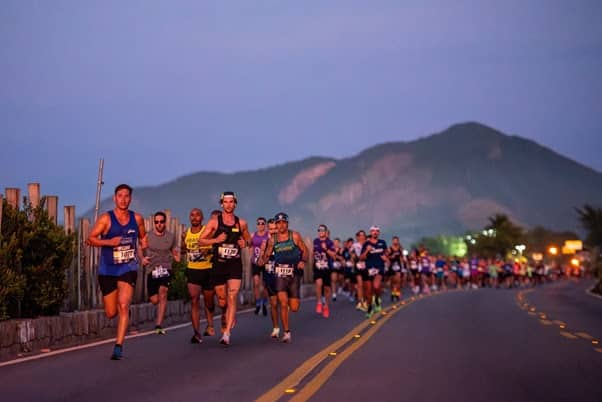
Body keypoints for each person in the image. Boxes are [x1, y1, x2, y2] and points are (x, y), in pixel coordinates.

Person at [87, 184, 147, 360]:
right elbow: (90, 239)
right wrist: (109, 242)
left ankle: (118, 346)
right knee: (111, 312)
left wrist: (144, 248)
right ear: (114, 198)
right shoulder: (106, 219)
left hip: (128, 268)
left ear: (130, 198)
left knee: (123, 304)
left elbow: (143, 237)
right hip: (107, 269)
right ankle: (124, 313)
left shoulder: (137, 219)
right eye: (120, 196)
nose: (123, 199)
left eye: (126, 196)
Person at [199, 191, 252, 346]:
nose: (229, 204)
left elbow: (248, 238)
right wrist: (216, 239)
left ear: (235, 203)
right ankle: (226, 312)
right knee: (222, 300)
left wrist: (245, 243)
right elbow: (201, 240)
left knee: (232, 296)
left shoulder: (241, 223)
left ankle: (227, 333)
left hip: (234, 263)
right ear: (221, 204)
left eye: (232, 202)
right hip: (219, 263)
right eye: (226, 202)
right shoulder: (215, 222)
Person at [258, 212, 308, 343]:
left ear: (287, 223)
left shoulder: (294, 236)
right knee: (283, 303)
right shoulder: (272, 240)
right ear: (275, 224)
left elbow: (305, 250)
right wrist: (261, 260)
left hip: (293, 274)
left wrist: (303, 260)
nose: (281, 225)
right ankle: (286, 332)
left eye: (283, 222)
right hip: (280, 274)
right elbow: (267, 255)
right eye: (278, 223)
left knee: (295, 307)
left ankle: (287, 321)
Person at [182, 208, 222, 344]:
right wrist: (180, 252)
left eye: (197, 215)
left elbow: (215, 246)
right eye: (192, 215)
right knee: (194, 300)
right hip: (193, 270)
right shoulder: (185, 233)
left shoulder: (207, 231)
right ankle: (196, 333)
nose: (194, 217)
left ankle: (210, 323)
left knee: (209, 301)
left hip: (208, 270)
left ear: (202, 218)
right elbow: (183, 249)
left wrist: (208, 249)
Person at [141, 211, 180, 335]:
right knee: (154, 300)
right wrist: (142, 258)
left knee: (163, 293)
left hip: (166, 268)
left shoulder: (171, 236)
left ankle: (158, 324)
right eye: (156, 222)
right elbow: (140, 248)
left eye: (161, 222)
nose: (159, 224)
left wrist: (176, 256)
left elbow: (174, 249)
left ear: (165, 222)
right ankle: (158, 311)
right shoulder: (148, 236)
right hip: (152, 269)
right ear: (154, 223)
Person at [359, 225, 388, 318]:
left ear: (378, 233)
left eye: (377, 231)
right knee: (368, 290)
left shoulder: (382, 243)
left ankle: (377, 300)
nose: (375, 232)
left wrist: (385, 258)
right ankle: (370, 308)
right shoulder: (366, 244)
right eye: (373, 231)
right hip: (368, 268)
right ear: (370, 232)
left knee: (376, 286)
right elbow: (361, 257)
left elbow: (386, 253)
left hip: (379, 267)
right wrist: (367, 251)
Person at [313, 224, 337, 318]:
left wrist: (326, 249)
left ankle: (326, 306)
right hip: (318, 267)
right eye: (319, 230)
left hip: (327, 268)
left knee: (327, 288)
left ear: (326, 232)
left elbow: (334, 256)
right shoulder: (315, 241)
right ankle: (319, 302)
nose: (321, 232)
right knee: (319, 284)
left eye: (322, 230)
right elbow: (313, 252)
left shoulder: (330, 242)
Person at [250, 217, 269, 316]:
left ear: (265, 225)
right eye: (259, 223)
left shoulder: (268, 235)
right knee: (256, 282)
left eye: (262, 223)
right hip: (255, 262)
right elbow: (249, 245)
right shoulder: (253, 235)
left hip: (265, 262)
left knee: (265, 285)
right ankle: (258, 304)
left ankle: (265, 303)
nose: (260, 225)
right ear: (257, 225)